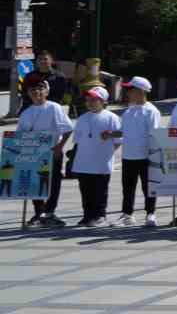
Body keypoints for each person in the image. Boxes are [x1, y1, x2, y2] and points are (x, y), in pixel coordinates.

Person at [18, 72, 73, 228]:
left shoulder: (53, 107)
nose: (36, 92)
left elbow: (68, 129)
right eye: (32, 90)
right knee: (35, 183)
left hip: (53, 151)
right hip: (34, 153)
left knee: (54, 183)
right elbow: (20, 135)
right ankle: (38, 212)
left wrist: (59, 146)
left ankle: (49, 212)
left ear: (46, 91)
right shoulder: (26, 113)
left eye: (40, 88)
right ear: (28, 93)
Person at [114, 76, 161, 227]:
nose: (128, 92)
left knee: (148, 187)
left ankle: (151, 213)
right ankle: (127, 214)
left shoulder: (151, 111)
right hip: (128, 156)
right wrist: (110, 133)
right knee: (128, 187)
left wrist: (153, 155)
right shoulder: (128, 111)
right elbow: (122, 131)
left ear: (141, 91)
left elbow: (154, 134)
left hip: (145, 156)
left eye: (130, 89)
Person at [69, 85, 119, 227]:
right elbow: (77, 141)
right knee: (85, 191)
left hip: (101, 162)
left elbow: (118, 141)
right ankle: (87, 215)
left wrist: (107, 154)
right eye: (88, 100)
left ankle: (100, 215)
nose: (90, 102)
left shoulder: (112, 118)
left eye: (94, 100)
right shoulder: (83, 118)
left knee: (100, 191)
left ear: (103, 102)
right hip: (83, 162)